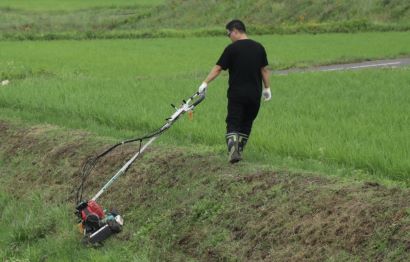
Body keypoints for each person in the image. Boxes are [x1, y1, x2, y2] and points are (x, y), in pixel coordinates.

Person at [198, 19, 271, 163]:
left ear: (236, 31)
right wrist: (267, 88)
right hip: (254, 94)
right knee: (247, 122)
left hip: (237, 94)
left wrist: (205, 82)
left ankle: (233, 150)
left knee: (233, 121)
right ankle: (239, 151)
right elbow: (264, 70)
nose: (229, 37)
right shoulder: (259, 47)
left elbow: (218, 68)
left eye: (228, 33)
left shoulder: (232, 49)